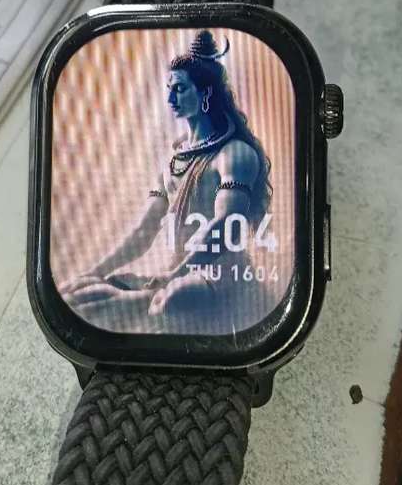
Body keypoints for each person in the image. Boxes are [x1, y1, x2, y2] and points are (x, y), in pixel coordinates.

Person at [59, 30, 273, 334]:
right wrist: (95, 272)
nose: (171, 98)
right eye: (169, 89)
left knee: (170, 300)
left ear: (206, 93)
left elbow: (227, 225)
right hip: (175, 270)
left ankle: (129, 305)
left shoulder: (234, 153)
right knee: (83, 291)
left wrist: (175, 275)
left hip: (219, 272)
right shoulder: (175, 158)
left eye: (180, 89)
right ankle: (118, 301)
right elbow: (144, 229)